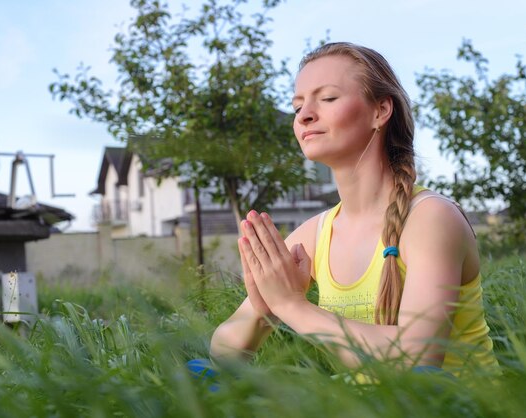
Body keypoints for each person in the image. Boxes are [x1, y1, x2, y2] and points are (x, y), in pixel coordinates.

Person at [209, 42, 499, 378]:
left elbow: (417, 361)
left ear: (380, 111)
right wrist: (265, 308)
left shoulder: (430, 219)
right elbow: (222, 354)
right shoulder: (315, 235)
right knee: (202, 374)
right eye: (298, 104)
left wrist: (293, 307)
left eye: (328, 98)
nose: (304, 115)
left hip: (455, 408)